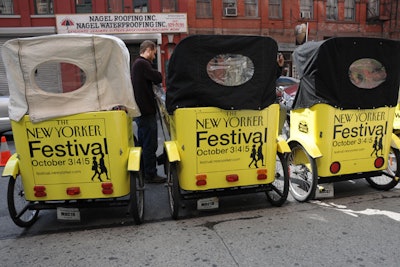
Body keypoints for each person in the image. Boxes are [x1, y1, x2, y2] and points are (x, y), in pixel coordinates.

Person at [131, 40, 166, 184]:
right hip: (146, 112)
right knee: (149, 144)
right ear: (149, 50)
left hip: (141, 112)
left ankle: (146, 171)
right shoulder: (142, 64)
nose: (154, 56)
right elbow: (158, 77)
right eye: (154, 53)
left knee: (144, 143)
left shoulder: (137, 64)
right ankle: (150, 174)